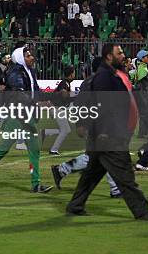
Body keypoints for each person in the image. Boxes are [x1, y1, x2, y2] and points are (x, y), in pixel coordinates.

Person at [66, 43, 148, 220]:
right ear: (109, 56)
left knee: (91, 174)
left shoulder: (110, 75)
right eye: (119, 53)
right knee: (125, 174)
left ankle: (75, 205)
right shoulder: (104, 77)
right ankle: (142, 211)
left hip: (104, 134)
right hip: (109, 134)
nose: (123, 55)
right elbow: (102, 106)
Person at [0, 45, 53, 193]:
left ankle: (36, 184)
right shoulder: (15, 72)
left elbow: (35, 91)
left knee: (34, 150)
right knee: (4, 148)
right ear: (20, 58)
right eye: (28, 55)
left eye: (31, 55)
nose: (32, 57)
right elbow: (20, 94)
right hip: (15, 115)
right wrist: (38, 103)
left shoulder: (29, 71)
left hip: (27, 116)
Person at [51, 58, 121, 198]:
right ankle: (115, 189)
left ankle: (61, 169)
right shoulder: (94, 83)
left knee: (96, 156)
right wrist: (82, 125)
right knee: (106, 154)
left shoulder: (89, 82)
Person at [43, 66, 74, 155]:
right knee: (65, 130)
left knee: (66, 129)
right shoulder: (64, 83)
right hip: (56, 109)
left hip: (56, 108)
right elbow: (64, 95)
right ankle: (53, 150)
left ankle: (46, 132)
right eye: (74, 73)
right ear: (71, 74)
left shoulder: (65, 83)